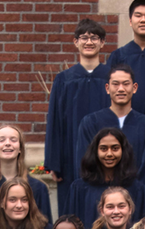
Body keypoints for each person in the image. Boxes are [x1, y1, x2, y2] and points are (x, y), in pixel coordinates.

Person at [74, 65, 145, 204]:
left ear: (134, 88)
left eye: (126, 84)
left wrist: (134, 196)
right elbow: (86, 164)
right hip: (96, 200)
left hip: (135, 201)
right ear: (107, 88)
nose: (121, 89)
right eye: (115, 84)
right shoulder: (90, 123)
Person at [45, 18, 114, 189]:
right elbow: (55, 121)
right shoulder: (64, 79)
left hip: (108, 153)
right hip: (71, 153)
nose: (89, 42)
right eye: (84, 38)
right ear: (76, 42)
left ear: (102, 43)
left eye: (94, 38)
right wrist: (53, 162)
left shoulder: (112, 78)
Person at [67, 126, 145, 222]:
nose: (109, 154)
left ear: (123, 151)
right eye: (103, 149)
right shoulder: (79, 188)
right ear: (96, 151)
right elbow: (70, 225)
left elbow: (143, 227)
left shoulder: (136, 188)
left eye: (115, 148)